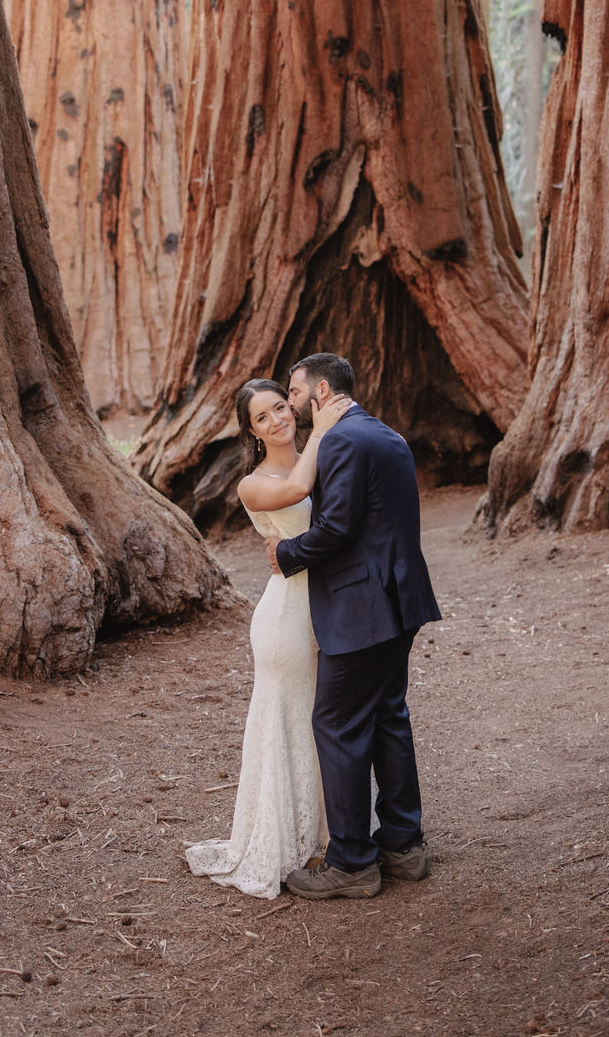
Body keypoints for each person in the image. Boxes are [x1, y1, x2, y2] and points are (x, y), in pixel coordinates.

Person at [267, 352, 441, 900]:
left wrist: (286, 551)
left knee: (337, 722)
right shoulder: (386, 433)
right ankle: (403, 847)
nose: (290, 405)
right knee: (389, 716)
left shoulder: (340, 440)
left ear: (319, 393)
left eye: (293, 394)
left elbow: (337, 525)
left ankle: (351, 862)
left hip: (361, 606)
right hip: (401, 600)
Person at [184, 377, 350, 898]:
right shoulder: (254, 483)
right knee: (290, 722)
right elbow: (300, 490)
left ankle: (324, 837)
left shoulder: (318, 451)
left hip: (327, 609)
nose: (278, 419)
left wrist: (321, 437)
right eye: (263, 417)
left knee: (320, 721)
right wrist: (322, 430)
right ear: (252, 432)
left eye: (281, 407)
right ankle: (285, 842)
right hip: (286, 621)